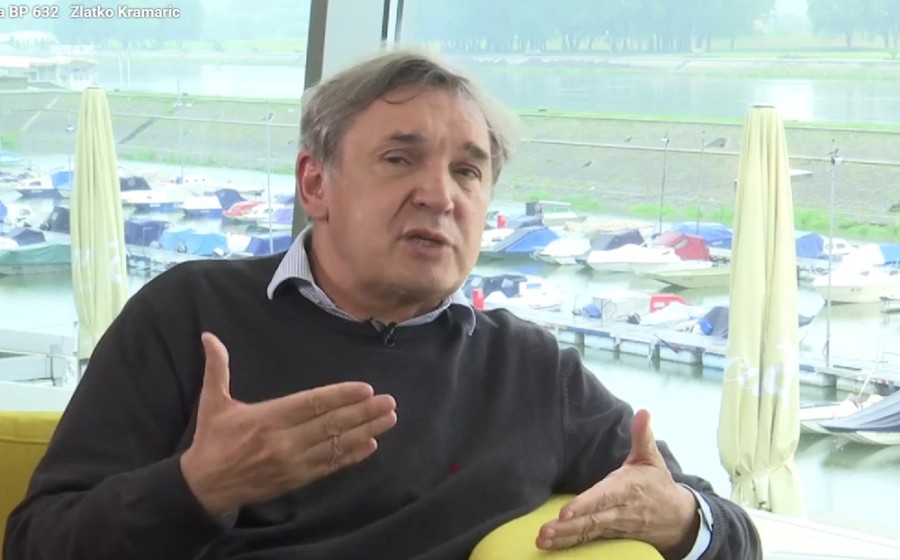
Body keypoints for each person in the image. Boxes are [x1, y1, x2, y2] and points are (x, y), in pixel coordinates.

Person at [3, 49, 761, 560]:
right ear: (315, 184)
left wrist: (680, 519)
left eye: (468, 172)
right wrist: (199, 487)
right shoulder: (190, 316)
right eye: (400, 159)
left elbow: (731, 532)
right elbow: (35, 542)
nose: (439, 194)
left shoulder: (531, 370)